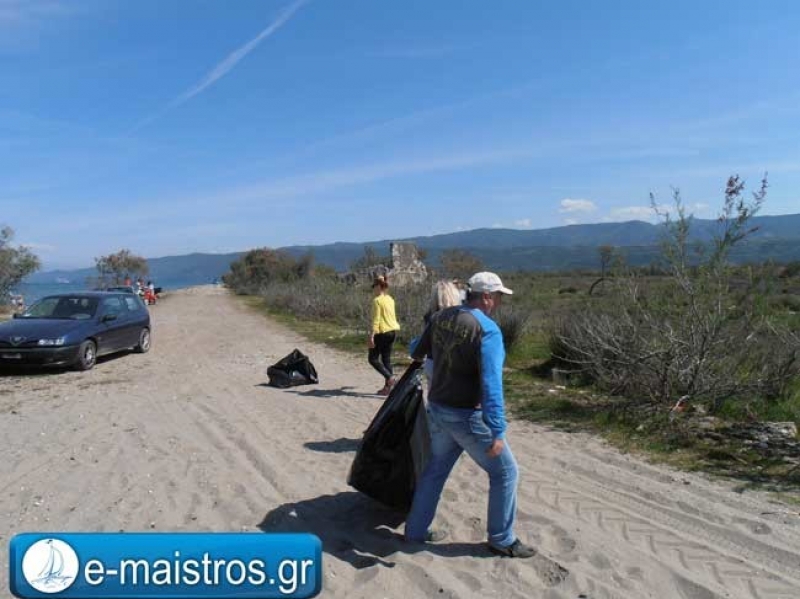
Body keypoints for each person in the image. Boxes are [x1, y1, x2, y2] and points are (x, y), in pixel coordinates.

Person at [405, 272, 535, 558]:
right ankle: (502, 538)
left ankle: (415, 530)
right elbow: (491, 383)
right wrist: (497, 430)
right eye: (498, 296)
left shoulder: (442, 317)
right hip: (468, 415)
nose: (499, 302)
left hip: (438, 409)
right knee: (506, 473)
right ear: (486, 297)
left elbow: (416, 351)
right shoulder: (488, 331)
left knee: (435, 471)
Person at [421, 280, 463, 391]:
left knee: (434, 397)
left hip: (432, 361)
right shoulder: (461, 317)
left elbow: (425, 341)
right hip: (454, 363)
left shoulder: (429, 316)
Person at [368, 275, 401, 396]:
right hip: (392, 332)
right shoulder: (390, 299)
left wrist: (371, 336)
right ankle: (388, 389)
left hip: (381, 333)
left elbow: (376, 320)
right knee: (386, 360)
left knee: (372, 359)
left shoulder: (377, 301)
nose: (373, 290)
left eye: (374, 287)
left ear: (378, 286)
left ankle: (391, 378)